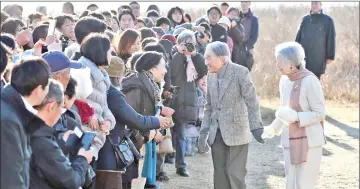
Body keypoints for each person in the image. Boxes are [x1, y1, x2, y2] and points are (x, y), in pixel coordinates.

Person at [97, 56, 171, 189]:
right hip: (114, 149)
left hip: (113, 147)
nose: (165, 70)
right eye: (163, 66)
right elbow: (134, 119)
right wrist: (154, 124)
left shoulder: (106, 90)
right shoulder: (116, 93)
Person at [198, 41, 264, 189]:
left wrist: (256, 126)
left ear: (223, 58)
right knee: (220, 174)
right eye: (205, 57)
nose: (206, 62)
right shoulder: (211, 75)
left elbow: (252, 101)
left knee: (235, 173)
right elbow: (209, 106)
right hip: (216, 133)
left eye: (209, 57)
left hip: (238, 132)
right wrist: (203, 132)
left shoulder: (241, 72)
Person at [261, 42, 326, 189]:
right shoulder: (284, 80)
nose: (276, 64)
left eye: (279, 60)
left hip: (310, 141)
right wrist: (272, 129)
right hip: (289, 140)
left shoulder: (310, 80)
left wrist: (297, 117)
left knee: (304, 184)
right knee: (290, 183)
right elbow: (285, 111)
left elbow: (320, 113)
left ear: (291, 64)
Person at [29, 80, 93, 189]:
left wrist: (61, 144)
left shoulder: (20, 126)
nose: (61, 113)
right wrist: (82, 159)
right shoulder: (41, 140)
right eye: (61, 108)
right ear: (51, 106)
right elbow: (70, 181)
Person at [1, 57, 51, 189]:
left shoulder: (13, 110)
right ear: (39, 89)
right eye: (48, 87)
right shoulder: (8, 121)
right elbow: (10, 180)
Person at [122, 52, 168, 189]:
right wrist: (148, 134)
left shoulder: (150, 86)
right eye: (163, 66)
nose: (165, 71)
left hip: (144, 142)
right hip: (136, 145)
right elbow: (129, 119)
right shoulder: (136, 87)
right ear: (152, 68)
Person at [169, 30, 208, 177]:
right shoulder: (173, 55)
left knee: (181, 133)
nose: (187, 46)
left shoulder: (195, 57)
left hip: (188, 101)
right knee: (169, 133)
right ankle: (166, 159)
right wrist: (180, 54)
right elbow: (172, 71)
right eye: (184, 42)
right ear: (178, 43)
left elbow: (203, 70)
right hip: (173, 100)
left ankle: (181, 165)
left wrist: (195, 54)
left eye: (190, 42)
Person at [77, 33, 116, 165]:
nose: (112, 55)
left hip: (95, 135)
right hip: (83, 135)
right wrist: (90, 115)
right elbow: (73, 102)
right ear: (100, 52)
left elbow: (103, 106)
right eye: (110, 51)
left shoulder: (102, 74)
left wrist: (109, 122)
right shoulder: (81, 71)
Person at [295, 1, 336, 79]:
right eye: (312, 3)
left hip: (319, 56)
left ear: (321, 4)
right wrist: (294, 53)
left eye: (316, 3)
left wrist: (330, 56)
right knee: (303, 81)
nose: (314, 5)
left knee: (314, 80)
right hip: (304, 56)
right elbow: (298, 38)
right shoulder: (305, 19)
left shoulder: (327, 20)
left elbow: (331, 39)